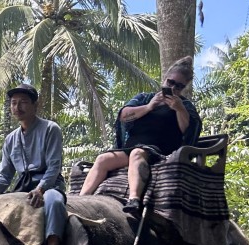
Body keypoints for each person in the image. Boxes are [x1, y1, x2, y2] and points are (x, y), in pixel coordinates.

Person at [78, 56, 201, 213]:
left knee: (137, 154)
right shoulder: (145, 98)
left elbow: (188, 131)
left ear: (184, 88)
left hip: (159, 151)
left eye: (179, 86)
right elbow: (124, 115)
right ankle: (82, 200)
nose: (173, 88)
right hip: (131, 148)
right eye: (170, 83)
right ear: (164, 79)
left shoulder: (185, 106)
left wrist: (179, 109)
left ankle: (134, 199)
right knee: (103, 159)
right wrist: (149, 107)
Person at [0, 84, 67, 245]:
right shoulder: (10, 139)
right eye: (14, 103)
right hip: (22, 187)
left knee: (54, 203)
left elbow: (54, 167)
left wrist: (42, 189)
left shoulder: (50, 129)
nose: (17, 107)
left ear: (35, 105)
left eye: (24, 102)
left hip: (49, 184)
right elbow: (4, 175)